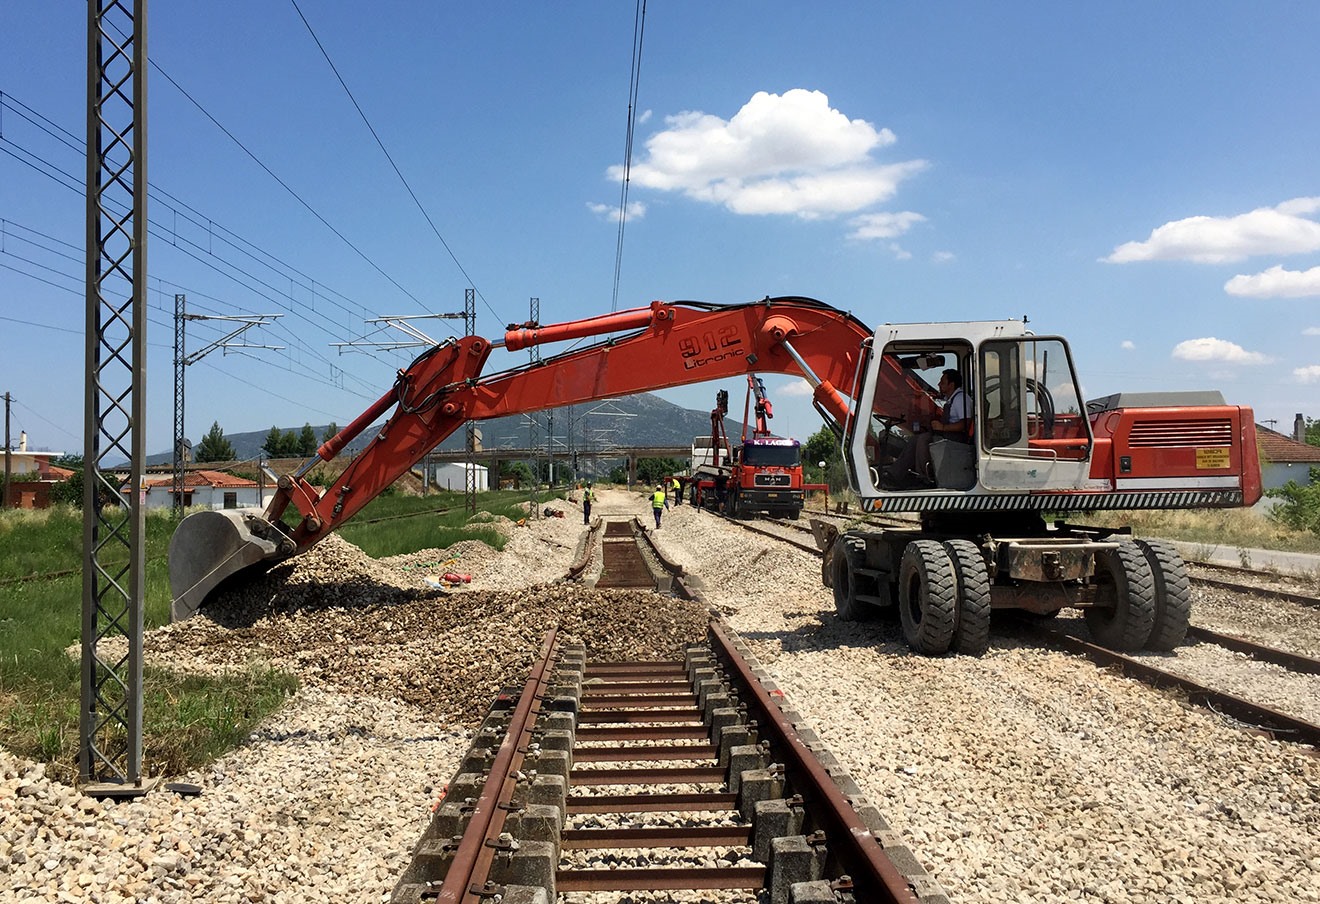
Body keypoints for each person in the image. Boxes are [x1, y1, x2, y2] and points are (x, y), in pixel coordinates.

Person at [884, 369, 971, 488]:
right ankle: (895, 475)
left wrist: (943, 427)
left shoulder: (961, 399)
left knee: (923, 440)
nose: (939, 385)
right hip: (948, 434)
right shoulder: (951, 400)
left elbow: (965, 424)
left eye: (942, 382)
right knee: (916, 439)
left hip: (956, 439)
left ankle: (925, 478)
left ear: (951, 385)